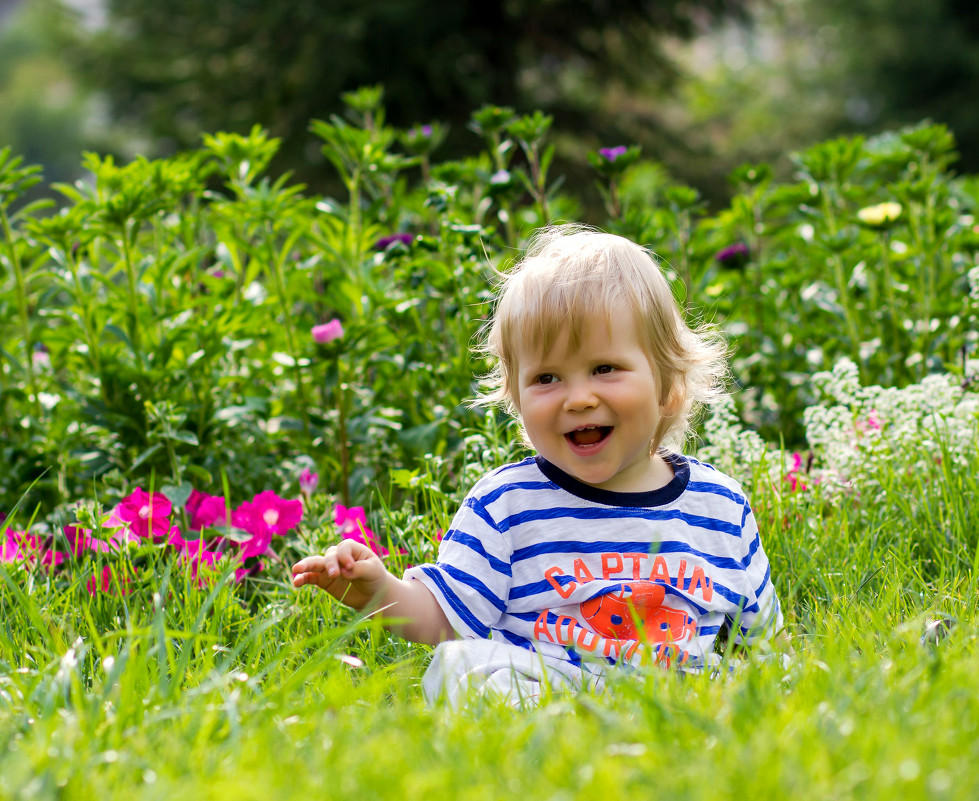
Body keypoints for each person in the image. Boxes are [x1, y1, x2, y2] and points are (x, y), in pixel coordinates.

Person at [292, 225, 784, 707]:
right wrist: (380, 592)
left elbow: (763, 644)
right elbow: (447, 617)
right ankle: (558, 734)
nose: (579, 398)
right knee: (459, 664)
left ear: (667, 381)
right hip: (551, 692)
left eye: (604, 368)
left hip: (676, 697)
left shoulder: (718, 505)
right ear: (516, 397)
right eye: (547, 377)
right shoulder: (508, 505)